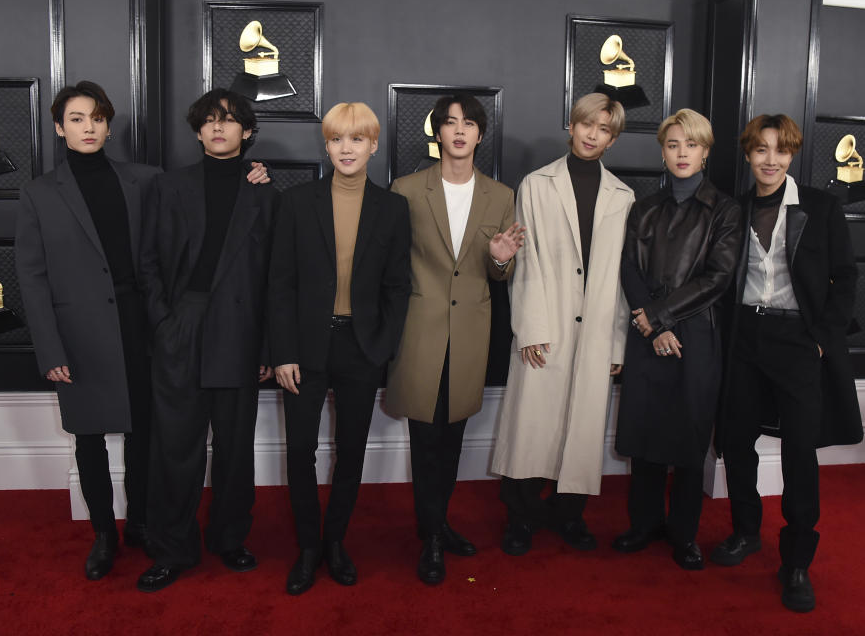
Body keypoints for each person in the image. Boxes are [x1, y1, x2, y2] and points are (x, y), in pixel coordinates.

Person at [710, 113, 862, 612]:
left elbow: (845, 277)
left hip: (798, 340)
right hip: (745, 337)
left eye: (780, 150)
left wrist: (820, 338)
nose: (770, 160)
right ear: (749, 155)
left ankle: (796, 561)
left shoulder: (821, 207)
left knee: (800, 451)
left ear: (792, 154)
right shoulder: (735, 207)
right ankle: (745, 533)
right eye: (760, 150)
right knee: (736, 442)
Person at [15, 81, 160, 580]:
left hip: (138, 325)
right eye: (76, 119)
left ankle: (140, 522)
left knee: (145, 432)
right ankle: (104, 533)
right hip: (77, 334)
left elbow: (196, 206)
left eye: (96, 117)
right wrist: (49, 347)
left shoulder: (145, 180)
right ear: (59, 128)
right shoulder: (37, 193)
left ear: (108, 123)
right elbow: (31, 277)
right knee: (89, 437)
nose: (89, 127)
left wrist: (251, 176)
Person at [136, 88, 278, 592]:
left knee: (236, 449)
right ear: (198, 131)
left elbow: (273, 281)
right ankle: (172, 547)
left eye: (230, 120)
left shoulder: (265, 193)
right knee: (175, 446)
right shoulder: (169, 187)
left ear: (246, 131)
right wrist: (164, 322)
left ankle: (230, 539)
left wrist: (266, 349)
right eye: (210, 121)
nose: (220, 127)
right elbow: (147, 262)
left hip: (241, 332)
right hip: (183, 324)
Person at [271, 102, 411, 596]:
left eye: (356, 139)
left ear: (373, 145)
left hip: (361, 347)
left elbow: (398, 286)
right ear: (326, 145)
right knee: (301, 451)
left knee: (351, 451)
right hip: (305, 348)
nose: (345, 148)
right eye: (336, 139)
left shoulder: (393, 208)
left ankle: (336, 542)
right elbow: (280, 284)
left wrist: (383, 346)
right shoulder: (296, 203)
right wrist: (283, 350)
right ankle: (309, 546)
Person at [386, 94, 524, 585]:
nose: (460, 131)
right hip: (419, 332)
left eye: (469, 124)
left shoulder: (501, 195)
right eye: (450, 123)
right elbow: (392, 263)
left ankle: (437, 525)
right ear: (438, 133)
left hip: (470, 335)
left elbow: (497, 273)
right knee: (424, 439)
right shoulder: (405, 188)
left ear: (480, 135)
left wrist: (502, 258)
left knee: (452, 440)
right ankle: (433, 538)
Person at [491, 92, 634, 555]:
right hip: (545, 323)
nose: (593, 135)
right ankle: (520, 518)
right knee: (530, 428)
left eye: (604, 129)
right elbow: (525, 261)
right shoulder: (535, 184)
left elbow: (619, 279)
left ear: (612, 139)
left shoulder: (624, 196)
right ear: (571, 126)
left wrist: (616, 343)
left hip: (594, 330)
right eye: (586, 124)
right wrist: (530, 328)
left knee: (583, 430)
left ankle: (569, 516)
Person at [612, 108, 742, 570]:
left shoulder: (725, 210)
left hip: (696, 336)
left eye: (691, 144)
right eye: (673, 145)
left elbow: (718, 277)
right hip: (649, 332)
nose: (682, 153)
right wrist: (653, 324)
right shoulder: (643, 208)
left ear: (705, 152)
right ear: (662, 152)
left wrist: (664, 318)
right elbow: (627, 268)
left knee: (689, 438)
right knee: (645, 433)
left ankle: (684, 534)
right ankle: (643, 524)